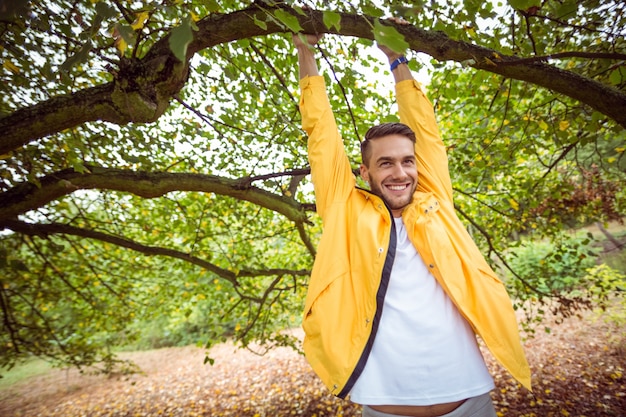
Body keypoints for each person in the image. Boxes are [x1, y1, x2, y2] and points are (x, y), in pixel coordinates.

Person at [292, 32, 531, 417]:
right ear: (365, 171)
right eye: (385, 163)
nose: (400, 172)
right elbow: (320, 135)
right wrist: (305, 52)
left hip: (469, 403)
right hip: (385, 408)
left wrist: (396, 57)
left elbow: (427, 132)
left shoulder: (435, 202)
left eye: (407, 161)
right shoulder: (345, 211)